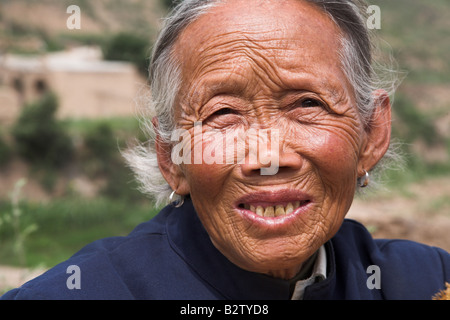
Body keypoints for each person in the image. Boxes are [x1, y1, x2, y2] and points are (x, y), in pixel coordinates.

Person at [2, 0, 449, 300]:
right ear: (170, 155)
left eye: (306, 104)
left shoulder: (427, 282)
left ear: (372, 133)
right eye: (222, 114)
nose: (268, 156)